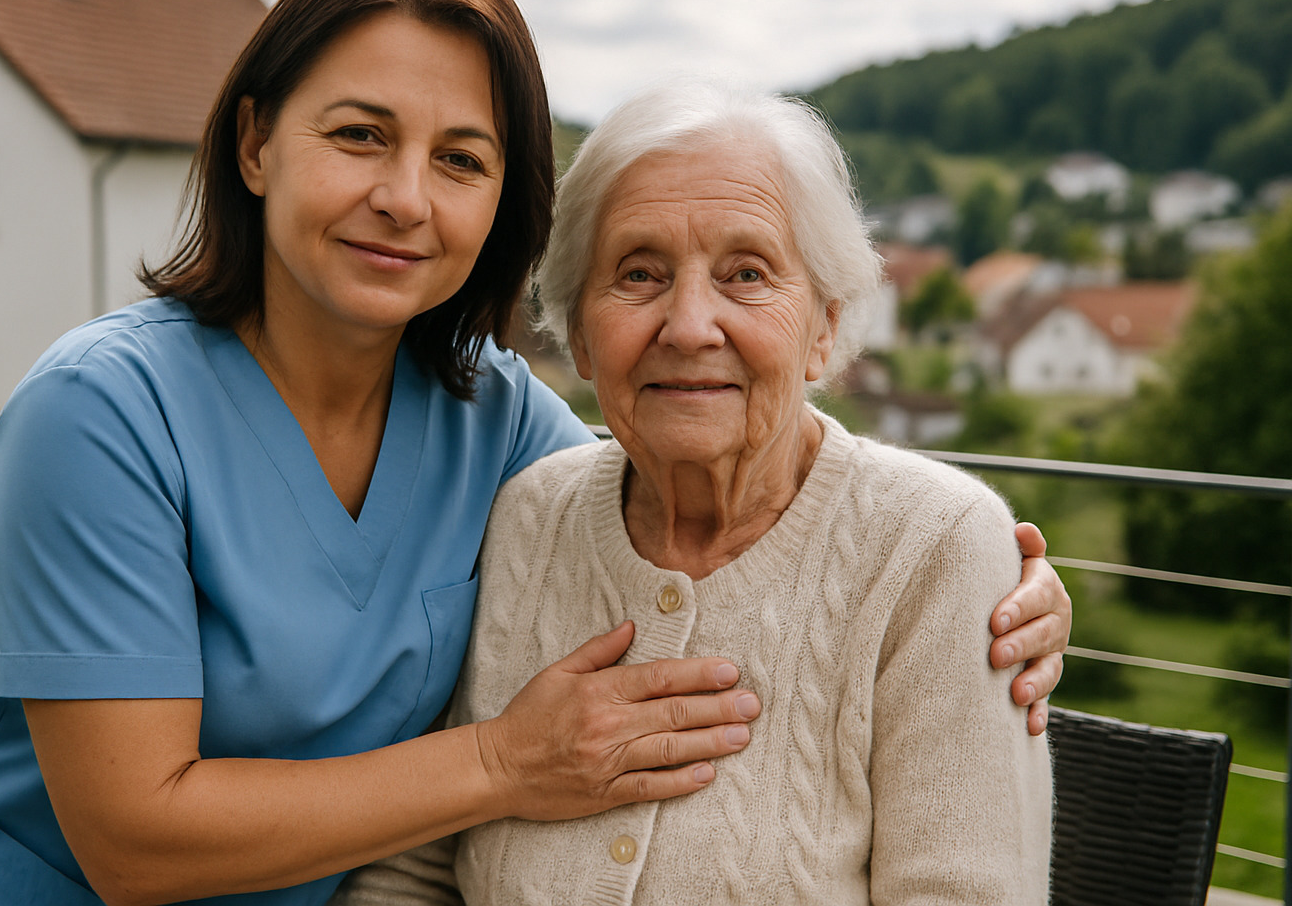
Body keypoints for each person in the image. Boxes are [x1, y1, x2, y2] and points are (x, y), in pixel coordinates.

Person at [0, 0, 1067, 906]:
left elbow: (667, 496)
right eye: (360, 134)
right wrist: (499, 764)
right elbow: (134, 843)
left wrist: (989, 590)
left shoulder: (498, 427)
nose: (403, 198)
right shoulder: (98, 413)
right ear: (258, 142)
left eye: (461, 158)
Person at [338, 79, 1053, 905]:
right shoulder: (524, 518)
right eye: (639, 274)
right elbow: (412, 866)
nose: (687, 325)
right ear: (578, 333)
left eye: (746, 274)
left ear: (823, 325)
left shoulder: (934, 547)